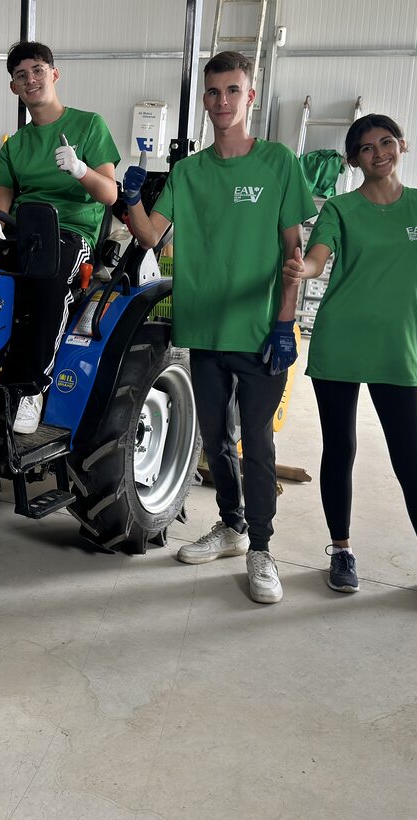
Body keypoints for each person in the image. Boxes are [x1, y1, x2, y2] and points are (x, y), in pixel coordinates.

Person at [121, 51, 313, 604]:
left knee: (258, 443)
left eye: (232, 91)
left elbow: (293, 250)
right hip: (204, 330)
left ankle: (262, 549)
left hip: (259, 332)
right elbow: (153, 236)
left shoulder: (278, 163)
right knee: (216, 439)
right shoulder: (189, 171)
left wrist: (285, 322)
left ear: (249, 97)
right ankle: (231, 526)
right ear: (204, 99)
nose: (222, 102)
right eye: (213, 93)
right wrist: (131, 200)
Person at [283, 113, 417, 612]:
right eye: (366, 148)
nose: (378, 153)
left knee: (410, 457)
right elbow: (320, 257)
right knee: (340, 448)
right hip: (340, 343)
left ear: (402, 145)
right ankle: (341, 552)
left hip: (397, 348)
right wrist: (304, 267)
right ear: (353, 160)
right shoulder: (342, 209)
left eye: (386, 142)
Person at [0, 41, 119, 434]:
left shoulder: (88, 125)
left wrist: (80, 170)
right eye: (21, 75)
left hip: (71, 234)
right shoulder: (17, 145)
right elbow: (1, 200)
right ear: (13, 86)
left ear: (54, 74)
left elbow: (110, 193)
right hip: (24, 233)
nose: (31, 79)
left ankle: (30, 388)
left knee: (47, 281)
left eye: (38, 70)